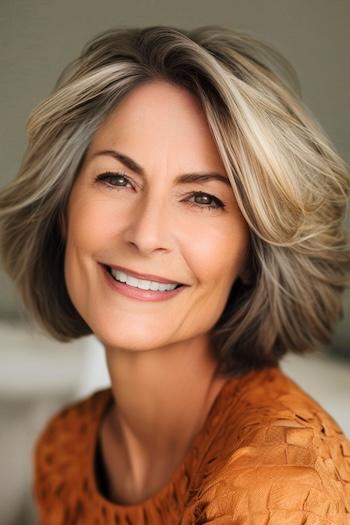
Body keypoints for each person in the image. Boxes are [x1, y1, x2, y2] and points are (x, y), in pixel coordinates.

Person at [0, 24, 349, 525]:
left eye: (204, 198)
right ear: (63, 209)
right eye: (116, 178)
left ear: (254, 249)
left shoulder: (279, 487)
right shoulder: (67, 447)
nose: (146, 234)